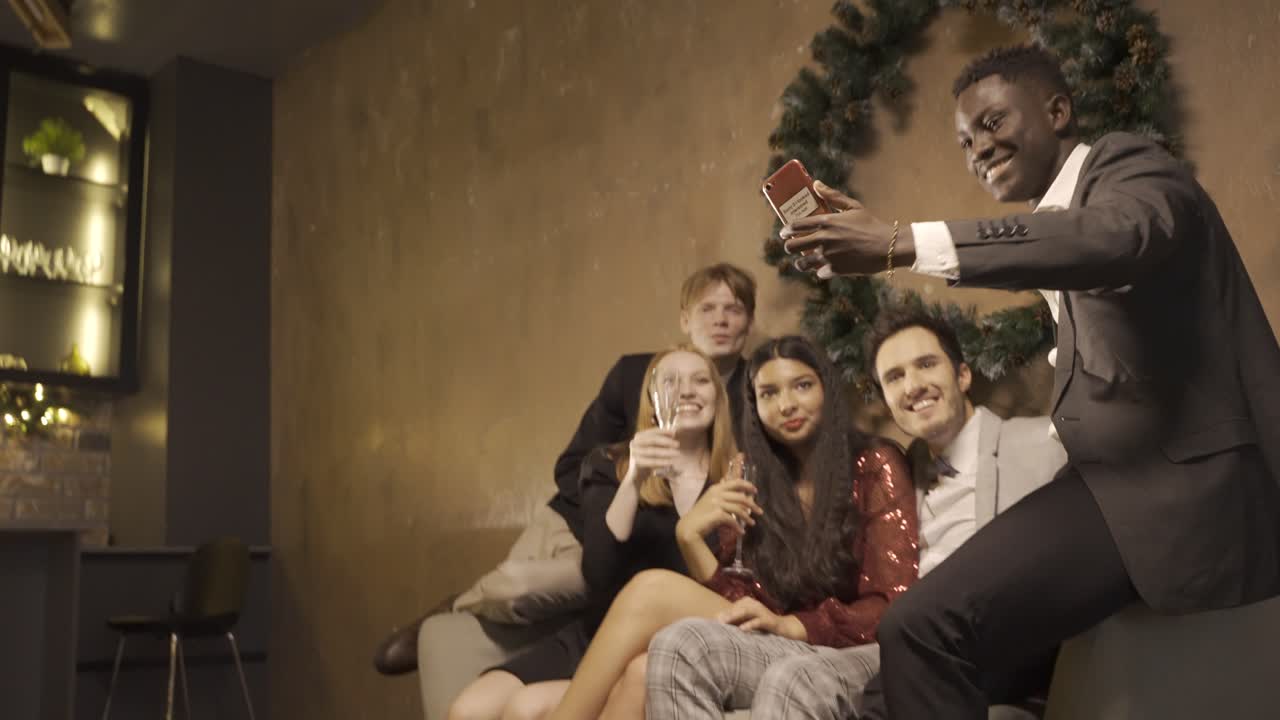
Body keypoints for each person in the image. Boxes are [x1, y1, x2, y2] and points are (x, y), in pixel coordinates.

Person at [781, 44, 1280, 718]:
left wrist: (899, 242)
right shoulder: (1055, 228)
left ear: (1058, 110)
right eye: (963, 141)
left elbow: (1114, 239)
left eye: (990, 124)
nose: (976, 149)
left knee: (919, 629)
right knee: (887, 689)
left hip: (1173, 491)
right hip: (1114, 484)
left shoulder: (1132, 170)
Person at [641, 310, 1066, 720]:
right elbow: (751, 601)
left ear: (963, 374)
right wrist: (691, 539)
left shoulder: (1035, 445)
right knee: (678, 645)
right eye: (894, 378)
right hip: (881, 648)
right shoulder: (907, 463)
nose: (913, 386)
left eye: (926, 365)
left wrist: (796, 625)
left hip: (952, 652)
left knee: (793, 680)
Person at [376, 263, 755, 675]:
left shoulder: (757, 390)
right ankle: (456, 606)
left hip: (669, 542)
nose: (720, 319)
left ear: (749, 322)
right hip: (585, 517)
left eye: (733, 309)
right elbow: (573, 464)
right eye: (707, 308)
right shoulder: (633, 374)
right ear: (685, 318)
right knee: (520, 585)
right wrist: (603, 524)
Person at [543, 335, 919, 720]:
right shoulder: (750, 473)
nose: (786, 404)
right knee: (647, 659)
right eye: (768, 393)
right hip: (774, 639)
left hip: (845, 648)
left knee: (650, 591)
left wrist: (796, 624)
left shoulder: (875, 463)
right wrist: (688, 537)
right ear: (754, 407)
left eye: (802, 386)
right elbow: (743, 599)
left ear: (827, 388)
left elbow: (893, 601)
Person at [447, 345, 738, 720]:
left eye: (700, 380)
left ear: (718, 397)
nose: (686, 391)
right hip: (603, 634)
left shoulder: (737, 475)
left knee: (528, 709)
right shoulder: (609, 465)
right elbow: (598, 574)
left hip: (671, 642)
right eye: (671, 381)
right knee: (468, 710)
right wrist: (634, 479)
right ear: (651, 398)